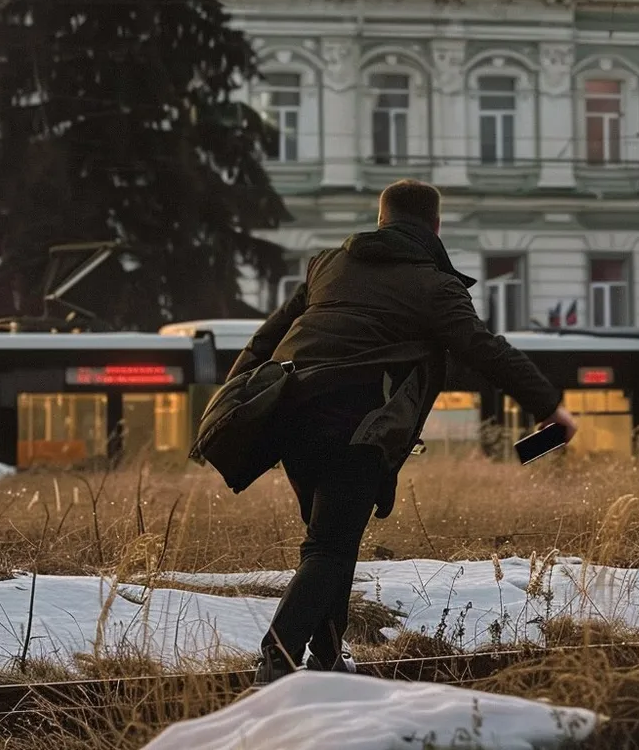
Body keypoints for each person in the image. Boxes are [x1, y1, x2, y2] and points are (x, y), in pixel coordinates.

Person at [229, 179, 577, 683]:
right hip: (360, 429)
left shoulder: (328, 264)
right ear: (435, 226)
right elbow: (484, 348)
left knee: (330, 541)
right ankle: (276, 660)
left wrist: (233, 396)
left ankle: (326, 658)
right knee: (330, 545)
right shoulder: (435, 286)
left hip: (293, 422)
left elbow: (268, 338)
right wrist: (551, 408)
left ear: (381, 219)